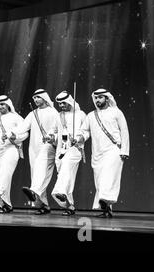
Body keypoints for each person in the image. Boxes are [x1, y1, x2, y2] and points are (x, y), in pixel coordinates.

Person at [76, 89, 130, 218]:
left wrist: (124, 150)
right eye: (96, 98)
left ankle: (105, 199)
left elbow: (124, 131)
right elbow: (84, 131)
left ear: (107, 98)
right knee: (100, 181)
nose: (98, 100)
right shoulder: (91, 115)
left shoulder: (116, 112)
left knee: (108, 177)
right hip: (97, 153)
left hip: (114, 150)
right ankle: (107, 210)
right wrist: (79, 138)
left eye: (100, 97)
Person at [18, 89, 59, 215]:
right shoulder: (32, 113)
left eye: (38, 97)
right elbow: (23, 127)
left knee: (41, 173)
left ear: (44, 98)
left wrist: (51, 136)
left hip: (48, 146)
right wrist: (12, 134)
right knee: (37, 174)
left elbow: (57, 129)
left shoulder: (53, 112)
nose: (35, 100)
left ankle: (34, 190)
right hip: (34, 148)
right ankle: (43, 205)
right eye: (34, 98)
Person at [0, 95, 26, 213]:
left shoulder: (16, 117)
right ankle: (6, 204)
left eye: (3, 104)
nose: (1, 106)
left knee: (5, 172)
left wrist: (15, 136)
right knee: (4, 176)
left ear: (8, 105)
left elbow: (25, 133)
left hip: (11, 149)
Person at [51, 91, 86, 216]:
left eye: (63, 103)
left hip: (75, 149)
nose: (61, 106)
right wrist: (52, 138)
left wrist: (80, 138)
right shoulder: (58, 116)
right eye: (59, 104)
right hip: (61, 150)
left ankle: (59, 191)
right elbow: (56, 132)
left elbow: (86, 131)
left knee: (66, 169)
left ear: (70, 101)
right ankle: (70, 205)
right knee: (66, 176)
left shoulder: (80, 115)